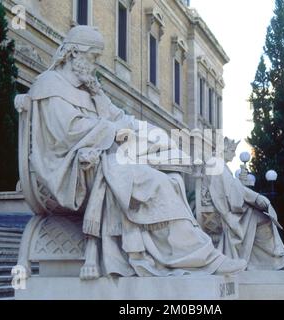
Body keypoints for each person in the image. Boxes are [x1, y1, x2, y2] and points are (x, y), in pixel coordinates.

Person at [27, 26, 247, 280]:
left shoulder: (88, 90)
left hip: (105, 157)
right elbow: (66, 131)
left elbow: (119, 117)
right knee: (154, 182)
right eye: (93, 57)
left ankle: (187, 255)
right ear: (75, 53)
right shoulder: (49, 84)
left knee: (171, 179)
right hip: (69, 167)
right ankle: (196, 257)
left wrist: (151, 133)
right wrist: (114, 131)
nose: (96, 63)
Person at [206, 138, 284, 270]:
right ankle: (279, 261)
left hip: (233, 211)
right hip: (229, 214)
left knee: (264, 220)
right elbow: (230, 190)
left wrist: (241, 185)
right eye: (232, 151)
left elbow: (232, 188)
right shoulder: (216, 165)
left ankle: (278, 261)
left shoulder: (219, 165)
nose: (234, 155)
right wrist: (256, 197)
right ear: (223, 150)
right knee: (265, 220)